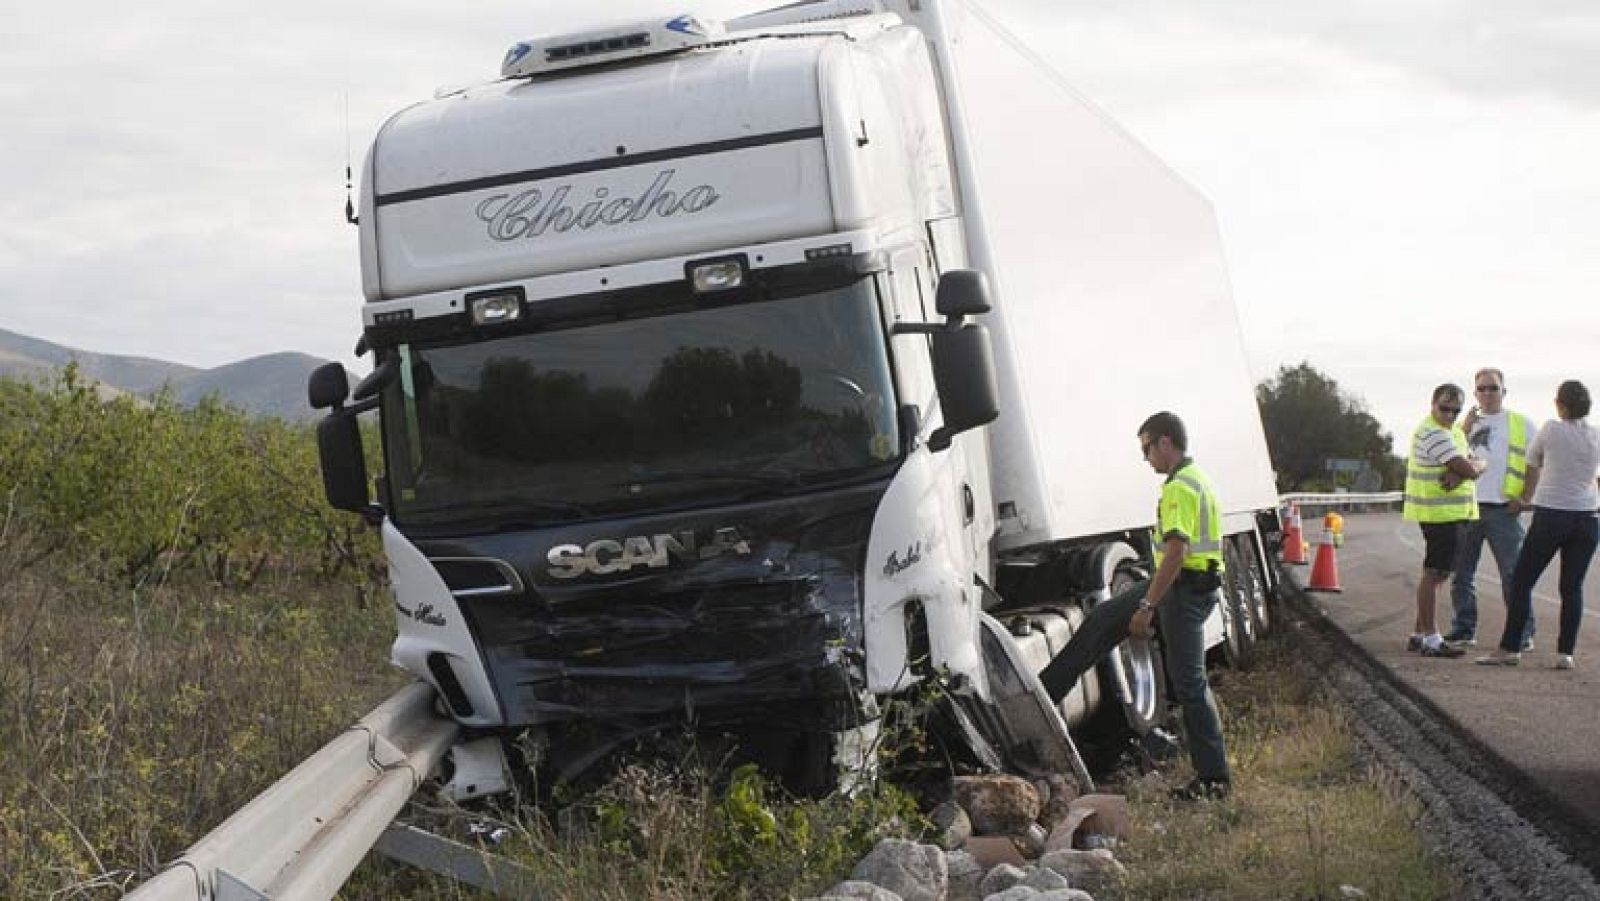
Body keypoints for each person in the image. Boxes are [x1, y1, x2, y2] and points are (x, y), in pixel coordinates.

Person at [1038, 411, 1231, 799]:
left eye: (1147, 448)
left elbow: (1176, 552)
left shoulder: (1179, 488)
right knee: (1105, 618)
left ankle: (1214, 780)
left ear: (1165, 443)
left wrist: (1146, 605)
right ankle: (1042, 695)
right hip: (1186, 586)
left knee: (1189, 684)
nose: (1146, 459)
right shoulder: (1197, 479)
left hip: (1183, 590)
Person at [1477, 380, 1600, 670]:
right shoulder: (1596, 434)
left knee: (1522, 581)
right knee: (1572, 587)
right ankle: (1565, 653)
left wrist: (1526, 498)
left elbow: (1531, 461)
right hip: (1588, 516)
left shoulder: (1550, 429)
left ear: (1561, 404)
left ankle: (1510, 648)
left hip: (1552, 515)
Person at [1446, 368, 1537, 649]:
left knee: (1513, 575)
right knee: (1461, 573)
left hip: (1503, 510)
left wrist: (1525, 497)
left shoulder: (1520, 423)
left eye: (1493, 388)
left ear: (1503, 391)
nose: (1487, 393)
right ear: (1475, 393)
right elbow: (1448, 456)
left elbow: (1535, 464)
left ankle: (1523, 633)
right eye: (1482, 389)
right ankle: (1464, 628)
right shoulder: (1464, 425)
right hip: (1467, 507)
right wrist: (1464, 427)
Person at [1402, 384, 1485, 658]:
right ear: (1432, 404)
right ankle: (1431, 638)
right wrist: (1468, 470)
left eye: (1455, 410)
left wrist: (1467, 470)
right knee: (1434, 573)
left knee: (1439, 575)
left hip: (1452, 514)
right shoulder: (1434, 434)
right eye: (1444, 408)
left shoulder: (1451, 433)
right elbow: (1471, 467)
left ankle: (1419, 634)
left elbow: (1476, 463)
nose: (1449, 415)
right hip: (1440, 516)